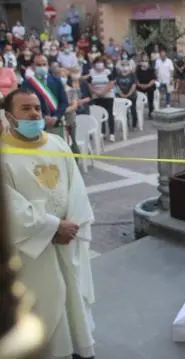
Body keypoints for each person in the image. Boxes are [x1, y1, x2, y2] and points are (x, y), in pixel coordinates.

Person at [1, 88, 96, 359]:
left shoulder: (57, 144)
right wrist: (53, 227)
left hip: (68, 238)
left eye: (37, 109)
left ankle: (79, 348)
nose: (34, 114)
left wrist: (73, 225)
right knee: (46, 301)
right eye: (25, 109)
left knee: (73, 297)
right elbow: (10, 205)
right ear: (9, 116)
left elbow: (76, 187)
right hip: (33, 249)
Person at [21, 55, 70, 143]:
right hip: (37, 124)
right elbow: (26, 104)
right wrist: (44, 118)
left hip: (57, 123)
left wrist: (55, 117)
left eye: (44, 64)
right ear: (33, 66)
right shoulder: (27, 83)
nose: (42, 67)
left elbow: (64, 102)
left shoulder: (57, 81)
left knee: (59, 150)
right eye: (38, 65)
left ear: (48, 65)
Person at [87, 56, 116, 141]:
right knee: (100, 115)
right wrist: (96, 92)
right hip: (96, 96)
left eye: (101, 62)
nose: (99, 64)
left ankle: (112, 133)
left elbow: (111, 84)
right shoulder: (91, 72)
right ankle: (102, 132)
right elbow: (89, 85)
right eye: (97, 62)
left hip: (108, 96)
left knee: (110, 114)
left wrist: (103, 92)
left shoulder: (108, 72)